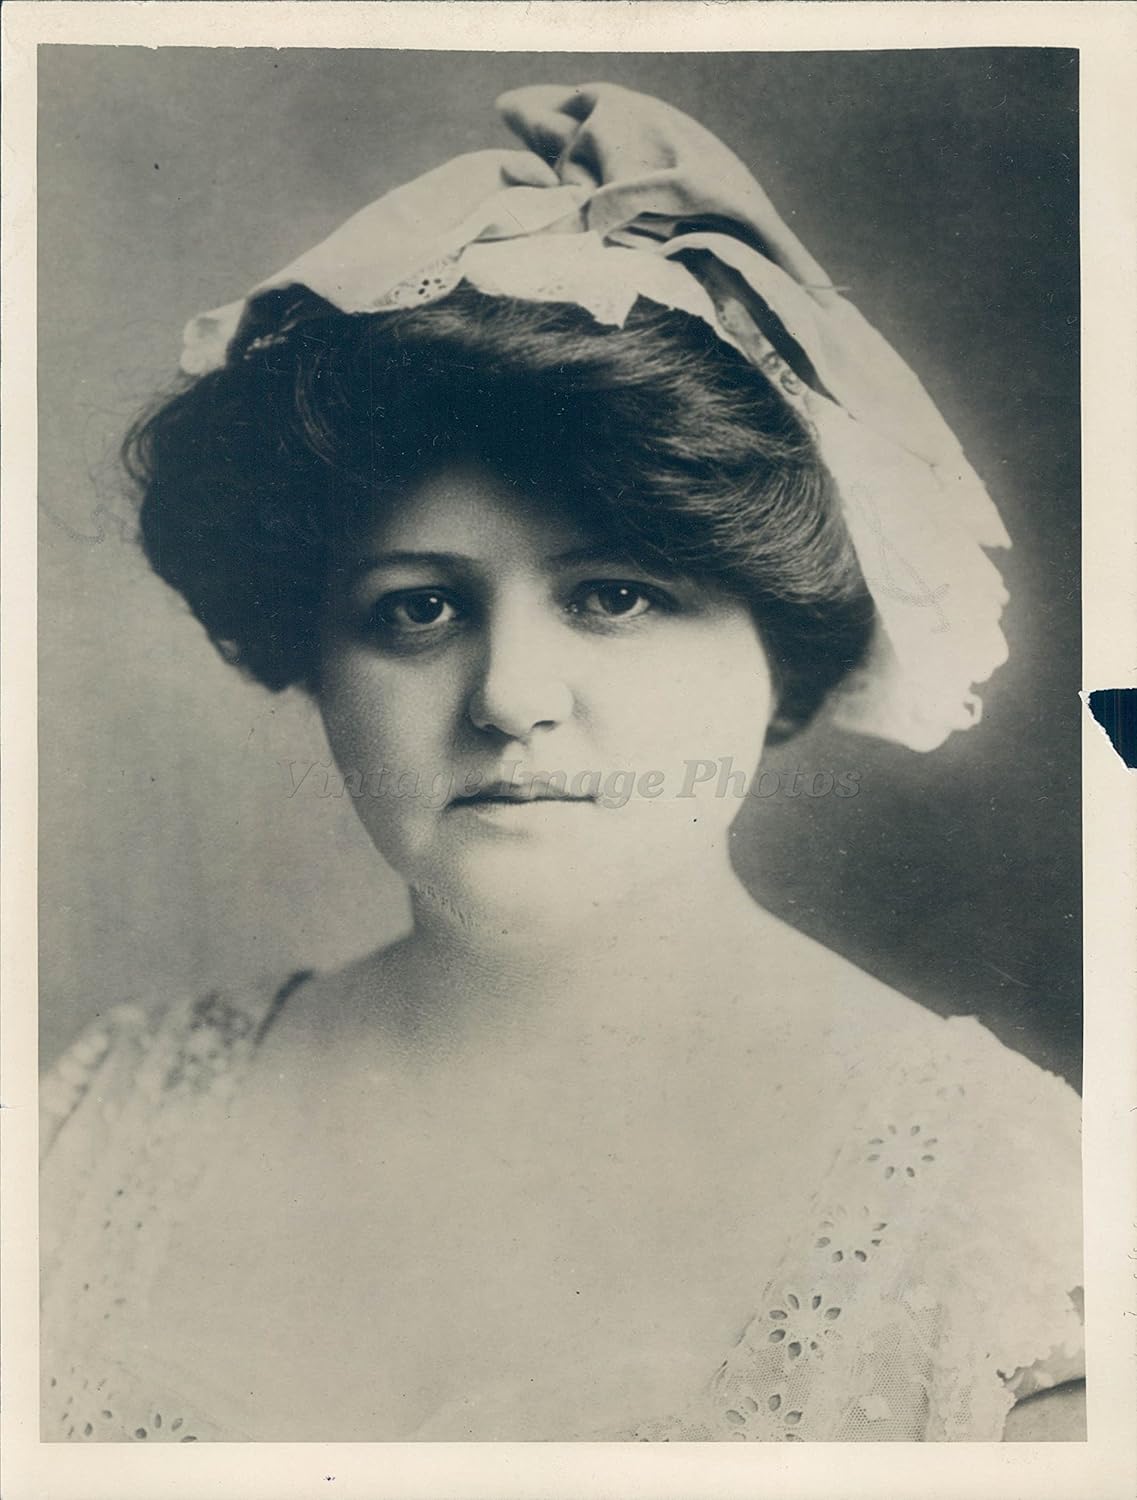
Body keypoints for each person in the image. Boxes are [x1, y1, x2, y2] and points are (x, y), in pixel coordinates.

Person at [40, 83, 1083, 1443]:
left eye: (613, 596)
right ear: (315, 659)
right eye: (417, 608)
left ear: (776, 643)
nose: (509, 699)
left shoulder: (1015, 1214)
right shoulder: (92, 1127)